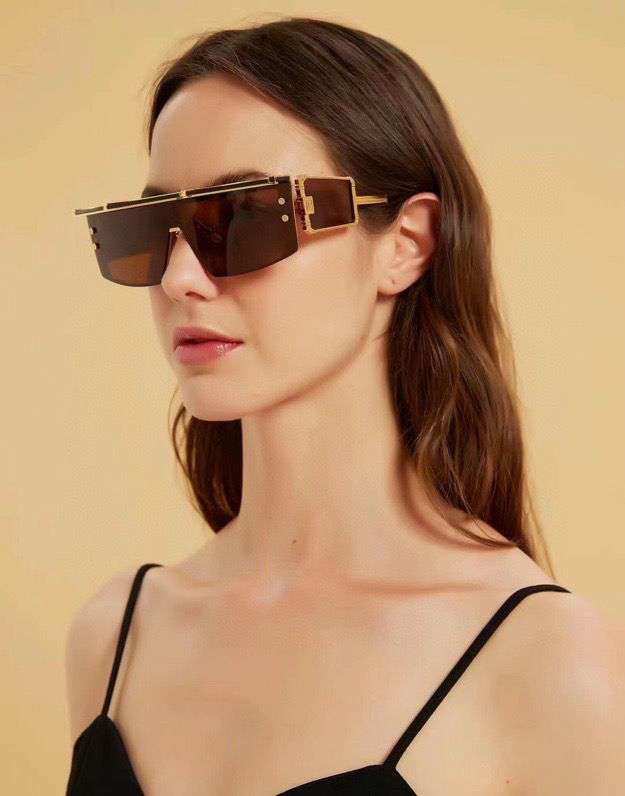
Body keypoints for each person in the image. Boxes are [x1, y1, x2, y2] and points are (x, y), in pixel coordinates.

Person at [64, 16, 624, 796]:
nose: (180, 278)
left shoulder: (544, 664)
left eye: (245, 217)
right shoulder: (114, 637)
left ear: (406, 243)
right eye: (151, 228)